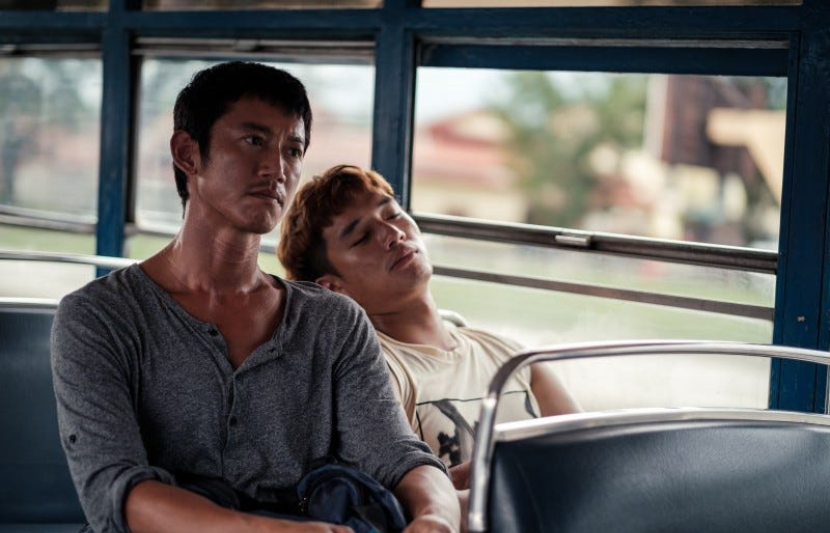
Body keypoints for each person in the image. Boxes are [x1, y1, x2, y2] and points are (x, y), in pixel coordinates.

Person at [51, 62, 459, 533]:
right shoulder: (99, 316)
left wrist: (438, 516)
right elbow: (117, 494)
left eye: (293, 150)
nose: (276, 169)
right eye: (253, 141)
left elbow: (394, 452)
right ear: (188, 153)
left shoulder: (334, 322)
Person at [277, 165, 581, 490]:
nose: (393, 234)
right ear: (333, 288)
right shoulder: (371, 372)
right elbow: (408, 500)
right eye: (363, 237)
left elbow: (591, 454)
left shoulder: (511, 357)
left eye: (393, 214)